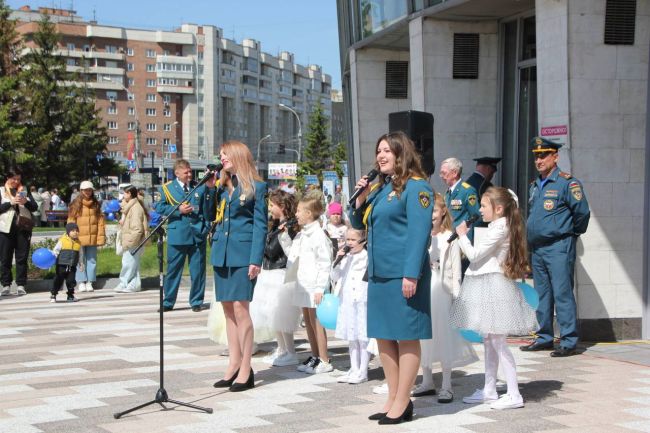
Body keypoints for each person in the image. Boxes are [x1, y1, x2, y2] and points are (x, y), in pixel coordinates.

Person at [350, 131, 433, 425]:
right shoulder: (382, 189)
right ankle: (393, 397)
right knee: (384, 335)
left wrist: (412, 273)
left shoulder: (417, 188)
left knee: (407, 335)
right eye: (379, 151)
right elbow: (359, 222)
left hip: (404, 274)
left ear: (401, 154)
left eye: (387, 151)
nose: (380, 156)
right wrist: (360, 197)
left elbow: (419, 233)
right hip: (379, 273)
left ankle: (403, 400)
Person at [450, 187, 537, 410]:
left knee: (498, 341)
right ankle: (489, 389)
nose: (480, 209)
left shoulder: (501, 228)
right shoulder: (495, 226)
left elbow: (475, 255)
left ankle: (514, 393)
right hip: (487, 284)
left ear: (498, 209)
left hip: (494, 286)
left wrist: (461, 236)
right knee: (489, 339)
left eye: (484, 205)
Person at [520, 137, 590, 357]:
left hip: (559, 245)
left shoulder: (567, 182)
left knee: (562, 293)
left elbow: (582, 213)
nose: (539, 160)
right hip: (538, 248)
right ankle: (544, 337)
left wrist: (569, 233)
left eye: (544, 155)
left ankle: (568, 340)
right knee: (542, 295)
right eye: (536, 156)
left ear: (555, 156)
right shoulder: (535, 185)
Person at [209, 141, 267, 392]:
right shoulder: (222, 188)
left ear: (238, 155)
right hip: (221, 254)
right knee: (228, 312)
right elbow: (207, 215)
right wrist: (209, 187)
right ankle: (233, 363)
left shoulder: (258, 187)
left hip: (243, 255)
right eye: (221, 156)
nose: (222, 159)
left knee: (241, 311)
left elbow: (260, 225)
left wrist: (256, 259)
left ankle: (246, 367)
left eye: (225, 155)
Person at [414, 193, 478, 403]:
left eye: (434, 210)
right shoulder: (419, 234)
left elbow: (456, 271)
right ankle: (427, 380)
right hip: (423, 287)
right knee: (424, 335)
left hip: (442, 289)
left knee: (443, 334)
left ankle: (447, 384)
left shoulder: (450, 237)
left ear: (442, 212)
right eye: (428, 210)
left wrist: (457, 298)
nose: (431, 214)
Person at [154, 159, 214, 312]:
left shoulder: (198, 187)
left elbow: (207, 207)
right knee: (174, 270)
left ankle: (196, 301)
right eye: (186, 172)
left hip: (197, 234)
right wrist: (177, 209)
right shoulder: (167, 188)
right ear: (177, 173)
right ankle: (168, 302)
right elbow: (159, 207)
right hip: (178, 235)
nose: (189, 174)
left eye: (190, 171)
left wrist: (206, 226)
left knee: (198, 271)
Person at [286, 190, 333, 375]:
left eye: (299, 211)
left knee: (317, 323)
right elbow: (293, 256)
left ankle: (324, 358)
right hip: (303, 283)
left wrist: (321, 287)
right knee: (307, 320)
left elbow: (324, 262)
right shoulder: (302, 234)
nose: (296, 214)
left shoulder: (318, 235)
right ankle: (314, 356)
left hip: (314, 286)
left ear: (309, 213)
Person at [252, 189, 301, 367]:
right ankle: (281, 349)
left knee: (282, 316)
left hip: (280, 274)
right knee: (273, 316)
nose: (270, 209)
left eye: (272, 205)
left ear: (282, 206)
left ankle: (290, 350)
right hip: (269, 273)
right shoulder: (275, 225)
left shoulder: (289, 227)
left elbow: (274, 251)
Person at [332, 228, 370, 384]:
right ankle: (353, 368)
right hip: (347, 299)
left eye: (353, 240)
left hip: (361, 299)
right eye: (347, 239)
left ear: (363, 241)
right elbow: (334, 277)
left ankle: (363, 370)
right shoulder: (345, 257)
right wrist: (337, 260)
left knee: (363, 335)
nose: (349, 243)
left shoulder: (366, 256)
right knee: (351, 336)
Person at [0, 166, 37, 296]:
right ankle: (6, 285)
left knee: (22, 258)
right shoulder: (1, 191)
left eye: (18, 179)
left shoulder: (24, 190)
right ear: (7, 178)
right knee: (5, 258)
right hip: (5, 229)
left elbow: (34, 207)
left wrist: (25, 201)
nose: (16, 182)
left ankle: (21, 284)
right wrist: (10, 202)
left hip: (23, 228)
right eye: (13, 179)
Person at [67, 180, 106, 293]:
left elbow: (100, 221)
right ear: (81, 191)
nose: (88, 192)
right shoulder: (75, 204)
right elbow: (71, 220)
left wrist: (101, 236)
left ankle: (90, 281)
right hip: (79, 237)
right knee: (80, 260)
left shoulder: (96, 204)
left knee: (92, 260)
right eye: (85, 190)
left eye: (89, 190)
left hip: (92, 237)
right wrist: (71, 233)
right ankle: (81, 281)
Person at [115, 186, 149, 293]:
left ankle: (125, 282)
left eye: (124, 193)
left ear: (129, 194)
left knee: (128, 263)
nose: (123, 196)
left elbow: (137, 228)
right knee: (132, 263)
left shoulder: (135, 208)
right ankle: (133, 284)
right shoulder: (131, 206)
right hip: (131, 239)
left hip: (133, 241)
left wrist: (131, 241)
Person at [440, 157, 480, 236]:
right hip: (449, 236)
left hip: (462, 238)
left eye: (444, 173)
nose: (441, 176)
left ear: (455, 173)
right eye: (441, 173)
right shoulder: (448, 192)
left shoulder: (467, 191)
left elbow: (476, 216)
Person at [50, 223, 84, 303]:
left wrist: (81, 263)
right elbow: (56, 250)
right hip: (61, 265)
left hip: (72, 266)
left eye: (77, 231)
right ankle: (53, 295)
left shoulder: (79, 243)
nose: (75, 232)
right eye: (73, 231)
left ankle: (70, 295)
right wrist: (53, 258)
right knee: (58, 280)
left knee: (71, 281)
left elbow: (80, 254)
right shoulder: (62, 240)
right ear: (68, 232)